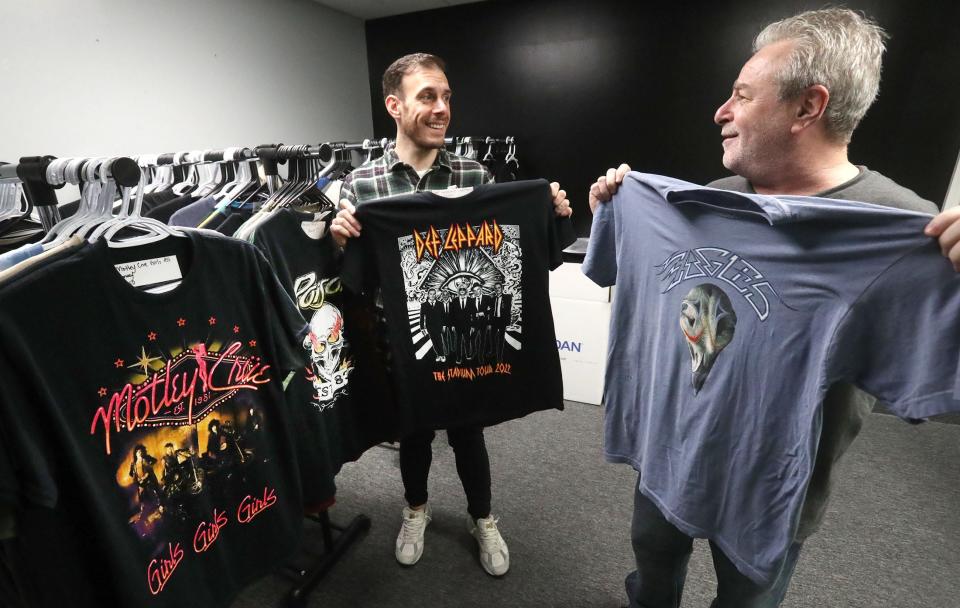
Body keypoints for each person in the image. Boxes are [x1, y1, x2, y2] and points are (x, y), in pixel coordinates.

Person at [588, 8, 960, 607]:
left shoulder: (903, 232)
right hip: (668, 450)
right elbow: (613, 270)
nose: (721, 112)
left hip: (772, 485)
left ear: (807, 108)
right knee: (652, 576)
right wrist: (617, 206)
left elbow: (936, 377)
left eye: (741, 95)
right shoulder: (707, 201)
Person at [330, 52, 572, 577]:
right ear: (394, 106)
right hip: (403, 338)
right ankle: (415, 509)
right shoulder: (363, 186)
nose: (442, 109)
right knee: (413, 432)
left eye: (447, 97)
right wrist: (338, 238)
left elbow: (500, 249)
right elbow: (349, 276)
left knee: (468, 429)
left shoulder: (472, 172)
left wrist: (544, 212)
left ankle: (483, 517)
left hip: (468, 334)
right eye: (427, 97)